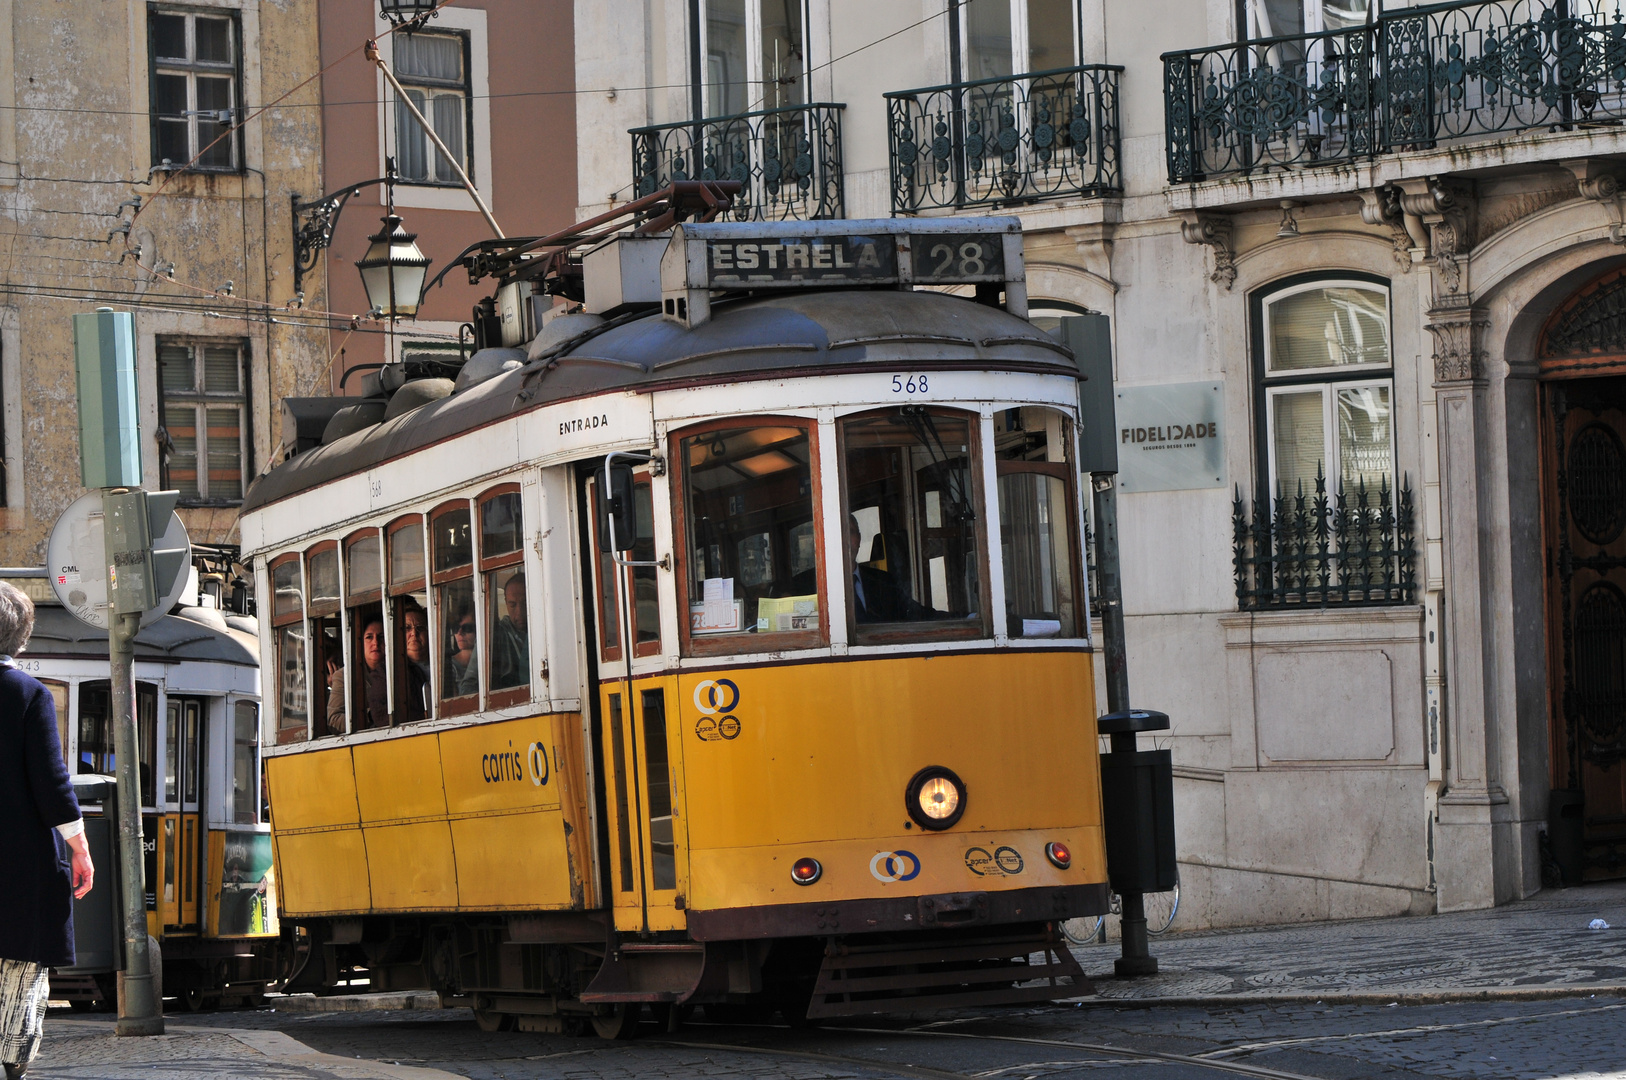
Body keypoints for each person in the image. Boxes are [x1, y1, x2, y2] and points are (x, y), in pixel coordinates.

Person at [0, 581, 93, 1080]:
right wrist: (79, 847)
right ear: (21, 639)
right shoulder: (28, 695)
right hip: (18, 867)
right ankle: (12, 1060)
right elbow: (52, 782)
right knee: (19, 967)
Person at [847, 514, 926, 623]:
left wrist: (956, 619)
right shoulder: (815, 586)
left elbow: (917, 614)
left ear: (859, 538)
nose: (844, 540)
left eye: (850, 532)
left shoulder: (883, 581)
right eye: (838, 533)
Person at [326, 618, 389, 732]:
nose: (375, 642)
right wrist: (370, 716)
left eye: (381, 637)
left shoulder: (401, 669)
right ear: (360, 643)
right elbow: (334, 720)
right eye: (369, 637)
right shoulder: (345, 676)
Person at [489, 574, 529, 691]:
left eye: (525, 603)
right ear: (506, 603)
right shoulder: (497, 635)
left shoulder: (545, 630)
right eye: (513, 605)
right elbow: (469, 684)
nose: (519, 612)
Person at [399, 603, 431, 722]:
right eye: (407, 628)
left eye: (420, 628)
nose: (414, 633)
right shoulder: (388, 672)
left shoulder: (446, 664)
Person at [444, 605, 479, 699]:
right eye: (455, 627)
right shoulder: (448, 666)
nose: (459, 633)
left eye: (467, 628)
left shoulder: (492, 658)